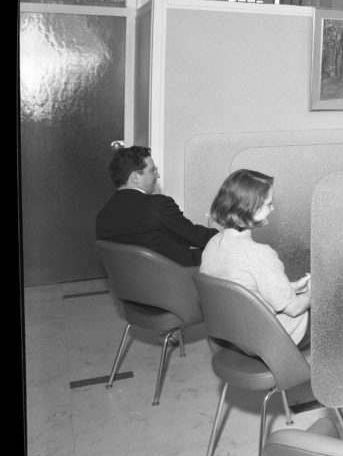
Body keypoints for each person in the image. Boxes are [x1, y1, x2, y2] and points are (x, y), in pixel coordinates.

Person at [200, 169, 311, 349]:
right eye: (269, 204)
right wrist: (312, 292)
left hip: (234, 336)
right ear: (249, 207)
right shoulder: (260, 254)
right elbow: (294, 308)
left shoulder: (213, 244)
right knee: (337, 308)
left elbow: (243, 288)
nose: (272, 209)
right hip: (274, 338)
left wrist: (291, 288)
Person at [96, 145, 218, 267]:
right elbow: (196, 237)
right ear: (135, 177)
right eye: (152, 171)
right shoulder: (158, 205)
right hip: (175, 278)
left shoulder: (103, 215)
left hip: (131, 282)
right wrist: (226, 234)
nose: (157, 175)